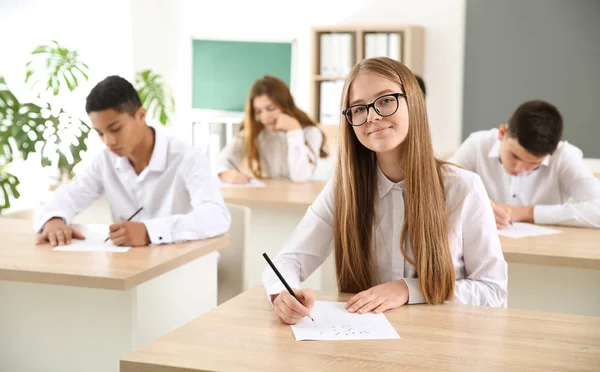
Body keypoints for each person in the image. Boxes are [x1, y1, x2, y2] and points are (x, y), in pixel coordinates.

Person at [262, 58, 507, 325]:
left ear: (413, 102)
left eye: (386, 100)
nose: (373, 116)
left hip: (444, 342)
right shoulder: (345, 188)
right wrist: (282, 292)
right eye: (358, 109)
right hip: (368, 345)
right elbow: (288, 260)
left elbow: (493, 290)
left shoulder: (463, 187)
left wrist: (407, 289)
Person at [35, 75, 230, 247]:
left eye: (115, 129)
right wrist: (54, 219)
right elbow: (69, 195)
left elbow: (216, 217)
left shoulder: (188, 157)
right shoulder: (105, 161)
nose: (108, 141)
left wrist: (150, 232)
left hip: (185, 269)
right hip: (131, 270)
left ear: (141, 116)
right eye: (100, 133)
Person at [450, 100, 600, 229]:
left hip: (546, 252)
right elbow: (439, 188)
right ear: (502, 132)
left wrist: (525, 213)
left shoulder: (563, 156)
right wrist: (479, 208)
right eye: (514, 156)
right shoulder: (477, 144)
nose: (519, 168)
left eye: (534, 164)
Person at [216, 75, 327, 183]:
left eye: (270, 109)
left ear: (285, 105)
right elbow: (222, 160)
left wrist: (294, 130)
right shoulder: (254, 132)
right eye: (258, 111)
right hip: (268, 196)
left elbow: (300, 177)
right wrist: (226, 173)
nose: (264, 117)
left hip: (300, 198)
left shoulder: (311, 132)